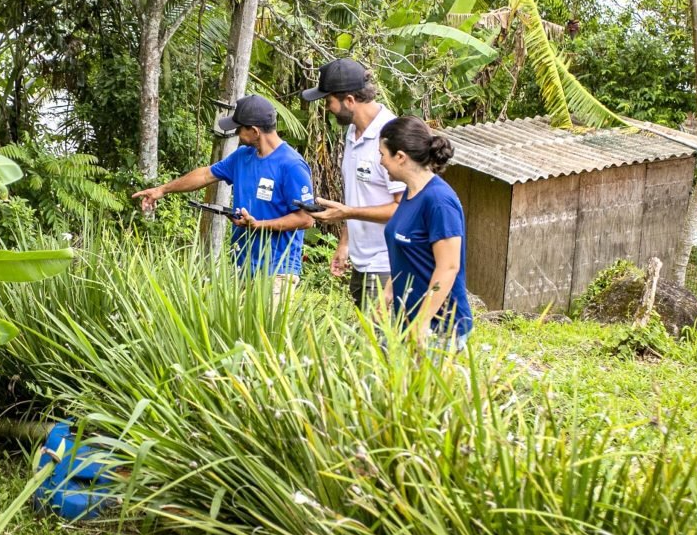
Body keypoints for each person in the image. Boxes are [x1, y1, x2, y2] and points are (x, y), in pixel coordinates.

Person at [133, 95, 314, 300]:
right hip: (243, 266)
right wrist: (163, 190)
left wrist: (259, 224)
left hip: (278, 270)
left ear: (254, 131)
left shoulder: (292, 165)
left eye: (239, 129)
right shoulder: (242, 156)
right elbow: (205, 174)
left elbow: (306, 219)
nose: (236, 133)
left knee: (266, 332)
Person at [300, 59, 405, 308]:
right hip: (360, 261)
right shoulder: (352, 132)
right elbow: (359, 196)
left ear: (349, 101)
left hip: (386, 264)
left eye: (329, 102)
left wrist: (346, 212)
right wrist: (345, 243)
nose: (327, 109)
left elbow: (403, 209)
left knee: (376, 343)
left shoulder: (392, 136)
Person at [376, 116, 473, 349]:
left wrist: (422, 321)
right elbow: (406, 255)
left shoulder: (439, 201)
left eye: (382, 154)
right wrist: (387, 294)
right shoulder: (410, 194)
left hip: (439, 327)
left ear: (400, 157)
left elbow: (449, 267)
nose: (380, 161)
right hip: (407, 321)